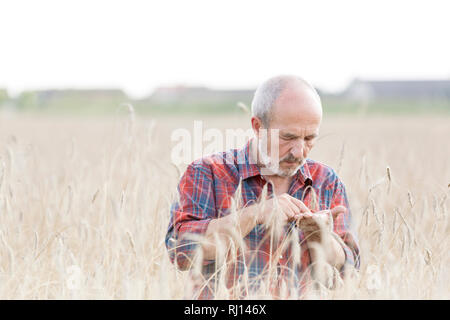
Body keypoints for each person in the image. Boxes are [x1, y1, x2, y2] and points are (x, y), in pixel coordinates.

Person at [165, 75, 360, 299]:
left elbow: (349, 270)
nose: (299, 151)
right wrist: (255, 214)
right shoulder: (208, 173)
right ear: (258, 126)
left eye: (309, 139)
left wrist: (321, 238)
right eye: (288, 137)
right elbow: (179, 251)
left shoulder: (326, 180)